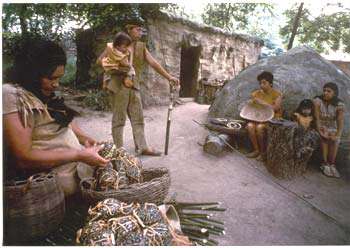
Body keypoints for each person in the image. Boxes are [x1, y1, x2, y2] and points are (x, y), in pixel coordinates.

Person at [3, 36, 109, 196]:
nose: (56, 84)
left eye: (59, 78)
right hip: (52, 184)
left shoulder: (39, 91)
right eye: (52, 78)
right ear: (31, 73)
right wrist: (78, 155)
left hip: (77, 169)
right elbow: (24, 157)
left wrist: (87, 140)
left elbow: (61, 120)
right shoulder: (12, 95)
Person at [97, 20, 180, 156]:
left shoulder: (141, 47)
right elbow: (100, 60)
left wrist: (169, 77)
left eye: (141, 30)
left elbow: (153, 62)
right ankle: (119, 152)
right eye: (137, 30)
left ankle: (142, 147)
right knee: (119, 120)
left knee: (138, 118)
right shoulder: (116, 45)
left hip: (134, 86)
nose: (140, 32)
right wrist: (114, 66)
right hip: (118, 86)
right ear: (129, 30)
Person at [245, 71, 283, 161]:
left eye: (264, 83)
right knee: (250, 126)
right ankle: (256, 150)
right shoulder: (256, 94)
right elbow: (253, 107)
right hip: (258, 117)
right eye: (260, 83)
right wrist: (251, 103)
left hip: (271, 119)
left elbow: (275, 108)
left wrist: (263, 103)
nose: (262, 85)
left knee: (260, 128)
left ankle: (263, 153)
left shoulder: (277, 95)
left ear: (270, 83)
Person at [313, 82, 345, 178]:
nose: (325, 93)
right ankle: (325, 163)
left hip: (332, 126)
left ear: (334, 93)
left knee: (335, 140)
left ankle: (332, 164)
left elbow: (340, 121)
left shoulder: (339, 104)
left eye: (328, 91)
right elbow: (317, 118)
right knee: (324, 137)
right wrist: (320, 131)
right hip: (320, 125)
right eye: (324, 90)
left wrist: (337, 135)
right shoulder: (318, 101)